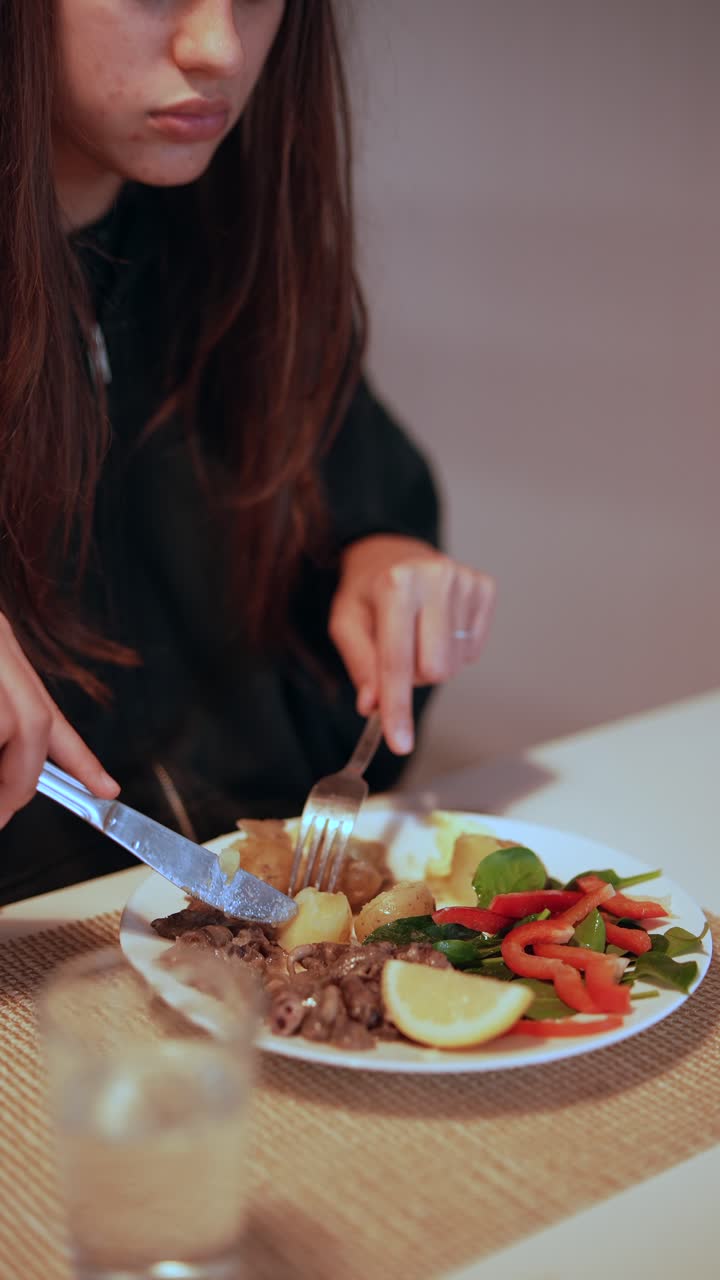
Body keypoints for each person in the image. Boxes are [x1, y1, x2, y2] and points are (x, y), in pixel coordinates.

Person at [0, 0, 495, 905]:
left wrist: (382, 558)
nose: (219, 48)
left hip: (220, 923)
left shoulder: (234, 243)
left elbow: (360, 497)